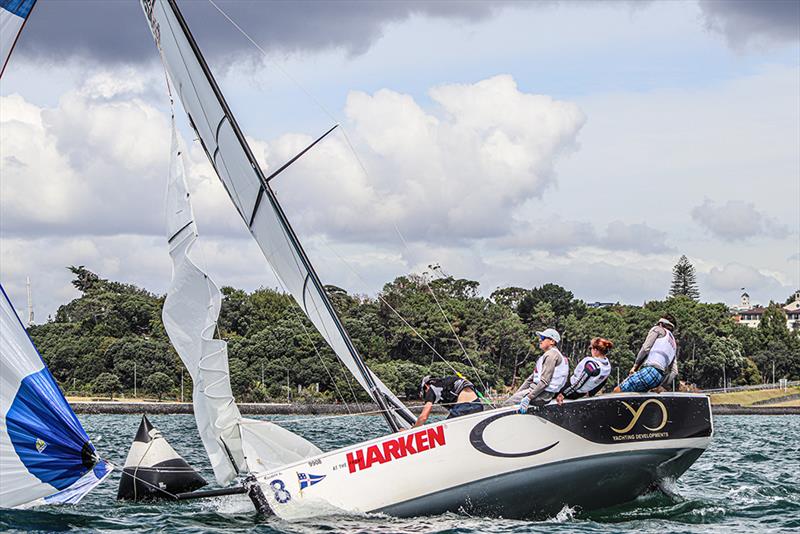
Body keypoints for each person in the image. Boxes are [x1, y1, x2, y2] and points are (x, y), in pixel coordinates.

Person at [508, 328, 569, 413]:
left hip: (542, 394)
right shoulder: (550, 356)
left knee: (506, 404)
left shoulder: (551, 355)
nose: (540, 340)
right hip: (540, 393)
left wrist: (528, 397)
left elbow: (545, 381)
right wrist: (517, 394)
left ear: (552, 341)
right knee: (513, 399)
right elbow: (530, 379)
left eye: (543, 338)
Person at [614, 314, 678, 393]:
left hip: (650, 371)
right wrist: (662, 386)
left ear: (661, 323)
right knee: (635, 398)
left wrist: (635, 367)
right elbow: (674, 372)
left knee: (617, 391)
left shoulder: (657, 329)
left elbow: (645, 349)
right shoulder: (674, 344)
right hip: (659, 378)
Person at [556, 337, 613, 405]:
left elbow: (580, 382)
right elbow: (603, 381)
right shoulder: (607, 366)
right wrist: (591, 393)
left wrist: (563, 394)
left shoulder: (592, 365)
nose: (590, 350)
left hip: (570, 390)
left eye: (590, 348)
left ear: (595, 350)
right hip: (581, 393)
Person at [414, 375, 483, 426]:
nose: (426, 397)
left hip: (464, 407)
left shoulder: (431, 388)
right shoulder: (444, 386)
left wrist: (413, 429)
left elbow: (423, 417)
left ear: (426, 386)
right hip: (477, 405)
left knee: (444, 432)